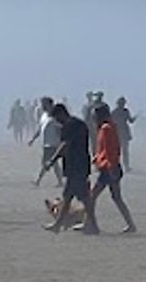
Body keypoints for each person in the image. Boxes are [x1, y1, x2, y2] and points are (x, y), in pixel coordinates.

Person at [86, 102, 137, 234]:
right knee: (116, 198)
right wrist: (97, 158)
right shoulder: (107, 127)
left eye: (94, 116)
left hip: (109, 169)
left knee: (91, 197)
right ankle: (131, 225)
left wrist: (110, 168)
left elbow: (111, 150)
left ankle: (91, 225)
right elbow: (104, 149)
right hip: (110, 167)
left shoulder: (106, 128)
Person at [45, 102, 93, 232]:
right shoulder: (79, 124)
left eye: (56, 118)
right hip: (82, 164)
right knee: (75, 196)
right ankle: (88, 224)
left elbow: (64, 145)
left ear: (61, 114)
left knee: (74, 196)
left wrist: (52, 160)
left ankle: (90, 224)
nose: (57, 122)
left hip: (75, 166)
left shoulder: (69, 126)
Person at [30, 95, 62, 183]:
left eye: (44, 104)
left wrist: (61, 141)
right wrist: (33, 139)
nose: (42, 106)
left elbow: (60, 129)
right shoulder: (44, 116)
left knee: (46, 162)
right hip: (46, 143)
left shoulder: (55, 116)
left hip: (53, 143)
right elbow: (40, 129)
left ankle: (38, 180)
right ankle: (60, 181)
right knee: (53, 163)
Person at [112, 97, 135, 172]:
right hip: (120, 132)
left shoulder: (116, 111)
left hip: (120, 132)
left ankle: (124, 166)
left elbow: (130, 121)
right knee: (122, 151)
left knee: (122, 151)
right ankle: (124, 166)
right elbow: (131, 121)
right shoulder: (123, 111)